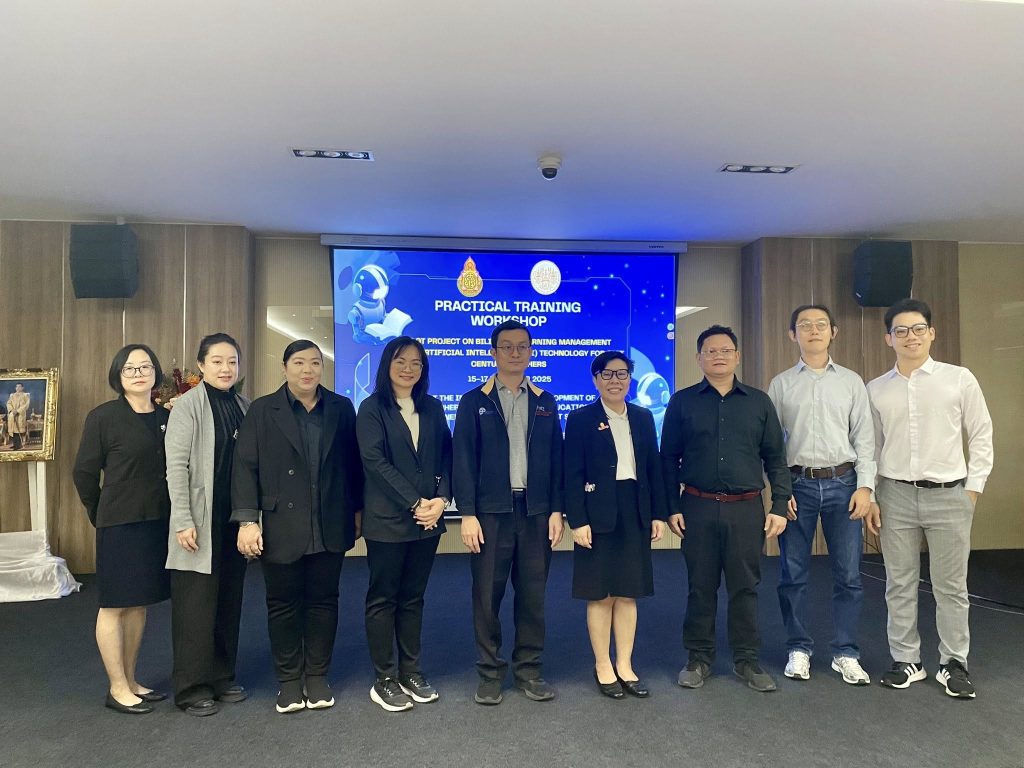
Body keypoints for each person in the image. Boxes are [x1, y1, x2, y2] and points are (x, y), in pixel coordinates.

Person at [867, 298, 993, 698]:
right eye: (901, 330)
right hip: (895, 495)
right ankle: (907, 660)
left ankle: (953, 663)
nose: (911, 336)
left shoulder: (959, 379)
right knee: (899, 582)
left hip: (950, 495)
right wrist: (872, 494)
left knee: (951, 586)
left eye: (919, 328)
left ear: (932, 333)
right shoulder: (876, 389)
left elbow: (981, 434)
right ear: (889, 338)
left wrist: (972, 490)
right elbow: (871, 448)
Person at [232, 339, 364, 713]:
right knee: (282, 604)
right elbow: (245, 468)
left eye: (315, 363)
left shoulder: (341, 407)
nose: (308, 370)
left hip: (329, 522)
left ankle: (317, 676)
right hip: (280, 524)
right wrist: (247, 520)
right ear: (285, 367)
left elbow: (354, 466)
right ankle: (289, 681)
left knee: (324, 601)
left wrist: (358, 510)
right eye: (299, 363)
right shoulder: (262, 410)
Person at [661, 324, 792, 693]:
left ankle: (747, 659)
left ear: (737, 356)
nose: (718, 356)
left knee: (745, 587)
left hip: (746, 508)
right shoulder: (682, 402)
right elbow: (667, 458)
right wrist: (671, 505)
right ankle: (698, 658)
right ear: (699, 358)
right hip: (697, 506)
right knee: (699, 586)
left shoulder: (758, 402)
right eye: (710, 351)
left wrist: (780, 504)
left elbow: (776, 458)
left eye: (725, 350)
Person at [454, 319, 565, 705]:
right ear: (493, 352)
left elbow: (556, 460)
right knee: (487, 596)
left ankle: (529, 670)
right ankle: (489, 673)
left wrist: (556, 509)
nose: (515, 353)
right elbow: (463, 460)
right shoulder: (474, 401)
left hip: (536, 514)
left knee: (533, 595)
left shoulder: (546, 401)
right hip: (490, 515)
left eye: (522, 347)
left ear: (530, 352)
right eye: (507, 346)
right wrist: (467, 513)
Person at [767, 305, 875, 685]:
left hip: (845, 485)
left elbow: (865, 438)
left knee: (848, 575)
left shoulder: (851, 382)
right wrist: (779, 493)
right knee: (792, 573)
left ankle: (846, 652)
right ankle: (798, 648)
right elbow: (771, 446)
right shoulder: (781, 384)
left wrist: (866, 487)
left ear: (833, 332)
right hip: (797, 486)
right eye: (804, 325)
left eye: (821, 325)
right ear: (792, 334)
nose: (813, 330)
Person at [72, 344, 171, 714]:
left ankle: (131, 679)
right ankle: (116, 687)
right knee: (114, 605)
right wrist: (99, 512)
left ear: (156, 372)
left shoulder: (165, 416)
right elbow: (84, 472)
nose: (139, 373)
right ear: (118, 375)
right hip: (119, 523)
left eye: (145, 366)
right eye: (130, 368)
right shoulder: (104, 417)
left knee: (138, 604)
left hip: (155, 521)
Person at [356, 336, 452, 712]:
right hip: (388, 521)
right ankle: (384, 677)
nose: (408, 368)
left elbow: (447, 456)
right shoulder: (372, 408)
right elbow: (374, 462)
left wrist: (441, 500)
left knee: (413, 598)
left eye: (416, 362)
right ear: (387, 365)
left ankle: (411, 671)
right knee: (383, 599)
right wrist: (415, 501)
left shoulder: (433, 407)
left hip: (428, 521)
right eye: (401, 361)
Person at [564, 351, 667, 699]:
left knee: (627, 592)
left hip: (634, 510)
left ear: (630, 379)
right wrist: (577, 520)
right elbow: (572, 473)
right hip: (596, 513)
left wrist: (657, 513)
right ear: (595, 380)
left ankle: (625, 664)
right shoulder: (580, 419)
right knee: (600, 594)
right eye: (607, 374)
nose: (615, 381)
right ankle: (603, 665)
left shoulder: (642, 417)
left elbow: (652, 468)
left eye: (622, 374)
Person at [164, 333, 250, 716]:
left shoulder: (245, 406)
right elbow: (175, 467)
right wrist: (183, 520)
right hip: (199, 522)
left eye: (232, 361)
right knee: (195, 608)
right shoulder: (187, 406)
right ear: (201, 365)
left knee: (228, 602)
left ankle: (221, 677)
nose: (225, 368)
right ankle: (191, 687)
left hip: (233, 521)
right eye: (217, 361)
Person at [7, 382, 30, 450]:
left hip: (20, 415)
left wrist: (17, 411)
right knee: (13, 430)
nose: (18, 388)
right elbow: (8, 403)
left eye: (19, 387)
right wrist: (12, 410)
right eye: (17, 387)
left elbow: (26, 405)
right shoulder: (12, 395)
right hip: (12, 414)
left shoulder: (25, 395)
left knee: (18, 430)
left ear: (22, 388)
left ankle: (19, 445)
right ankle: (15, 444)